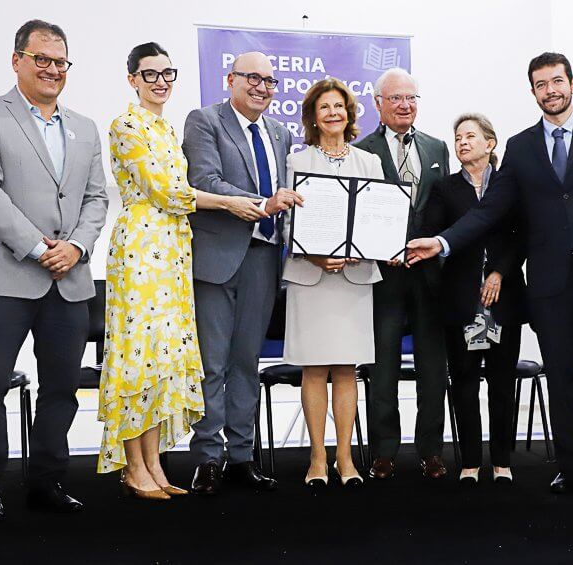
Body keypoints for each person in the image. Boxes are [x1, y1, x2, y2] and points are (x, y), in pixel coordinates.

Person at [407, 52, 573, 494]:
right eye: (541, 84)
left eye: (557, 81)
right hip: (550, 283)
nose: (551, 90)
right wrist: (442, 242)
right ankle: (572, 466)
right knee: (559, 378)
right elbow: (491, 210)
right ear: (532, 90)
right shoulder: (521, 146)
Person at [97, 43, 271, 500]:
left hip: (174, 250)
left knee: (161, 362)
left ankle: (155, 465)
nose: (160, 81)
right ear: (132, 78)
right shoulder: (126, 124)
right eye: (149, 73)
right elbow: (171, 191)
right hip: (141, 249)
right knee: (136, 362)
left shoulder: (167, 128)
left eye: (166, 73)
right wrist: (232, 202)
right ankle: (133, 468)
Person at [0, 19, 109, 521]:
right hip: (2, 277)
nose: (52, 69)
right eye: (41, 59)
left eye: (60, 61)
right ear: (17, 59)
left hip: (70, 280)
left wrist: (78, 248)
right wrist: (38, 247)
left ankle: (47, 481)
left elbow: (95, 198)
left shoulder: (84, 127)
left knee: (61, 387)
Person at [182, 52, 302, 495]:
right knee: (212, 364)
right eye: (253, 77)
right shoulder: (204, 121)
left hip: (264, 259)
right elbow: (206, 181)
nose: (262, 87)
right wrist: (264, 202)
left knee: (246, 363)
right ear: (230, 78)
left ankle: (241, 457)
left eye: (270, 81)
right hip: (217, 258)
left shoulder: (280, 133)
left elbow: (295, 196)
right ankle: (208, 458)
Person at [282, 78, 382, 488]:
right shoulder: (296, 161)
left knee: (346, 369)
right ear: (312, 116)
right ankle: (317, 460)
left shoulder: (369, 163)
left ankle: (346, 459)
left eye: (339, 105)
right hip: (311, 277)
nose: (333, 113)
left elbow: (379, 217)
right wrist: (313, 254)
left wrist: (367, 245)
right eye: (324, 107)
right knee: (314, 368)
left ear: (350, 112)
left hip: (354, 278)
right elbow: (287, 219)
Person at [355, 68, 451, 480]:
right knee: (384, 370)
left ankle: (430, 451)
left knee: (434, 371)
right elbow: (357, 213)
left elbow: (445, 208)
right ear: (378, 103)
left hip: (429, 278)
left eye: (411, 98)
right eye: (395, 98)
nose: (404, 105)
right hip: (384, 278)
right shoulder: (361, 150)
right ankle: (384, 453)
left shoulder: (437, 147)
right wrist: (381, 251)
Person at [422, 113, 528, 484]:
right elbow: (435, 234)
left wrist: (499, 271)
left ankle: (501, 461)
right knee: (464, 382)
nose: (463, 142)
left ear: (490, 143)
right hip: (461, 301)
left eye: (470, 136)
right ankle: (469, 461)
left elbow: (521, 236)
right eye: (458, 137)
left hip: (504, 299)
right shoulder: (445, 188)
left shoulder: (509, 185)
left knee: (502, 383)